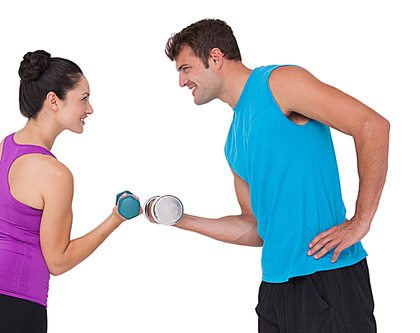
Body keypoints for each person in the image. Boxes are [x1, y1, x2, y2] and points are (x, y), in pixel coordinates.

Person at [165, 19, 389, 332]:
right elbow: (255, 228)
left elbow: (371, 126)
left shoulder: (278, 83)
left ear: (215, 58)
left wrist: (361, 220)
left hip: (325, 275)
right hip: (274, 289)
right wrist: (181, 219)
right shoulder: (234, 143)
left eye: (185, 68)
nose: (181, 81)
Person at [0, 50, 141, 333]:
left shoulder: (1, 152)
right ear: (54, 100)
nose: (89, 109)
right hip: (12, 303)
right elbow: (58, 260)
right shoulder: (55, 174)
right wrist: (115, 219)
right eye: (84, 98)